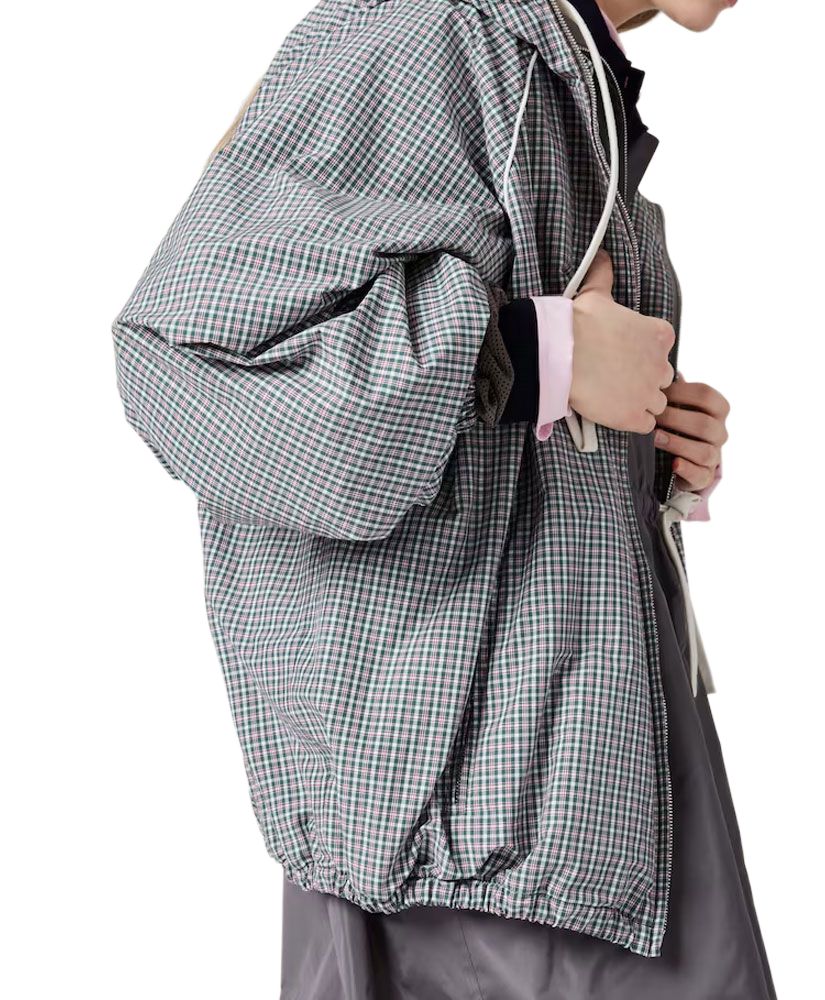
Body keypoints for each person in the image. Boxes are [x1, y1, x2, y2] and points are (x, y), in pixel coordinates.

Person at [111, 0, 776, 996]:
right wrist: (534, 356)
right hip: (473, 850)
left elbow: (510, 411)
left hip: (579, 789)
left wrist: (651, 448)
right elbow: (189, 363)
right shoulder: (437, 32)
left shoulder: (562, 72)